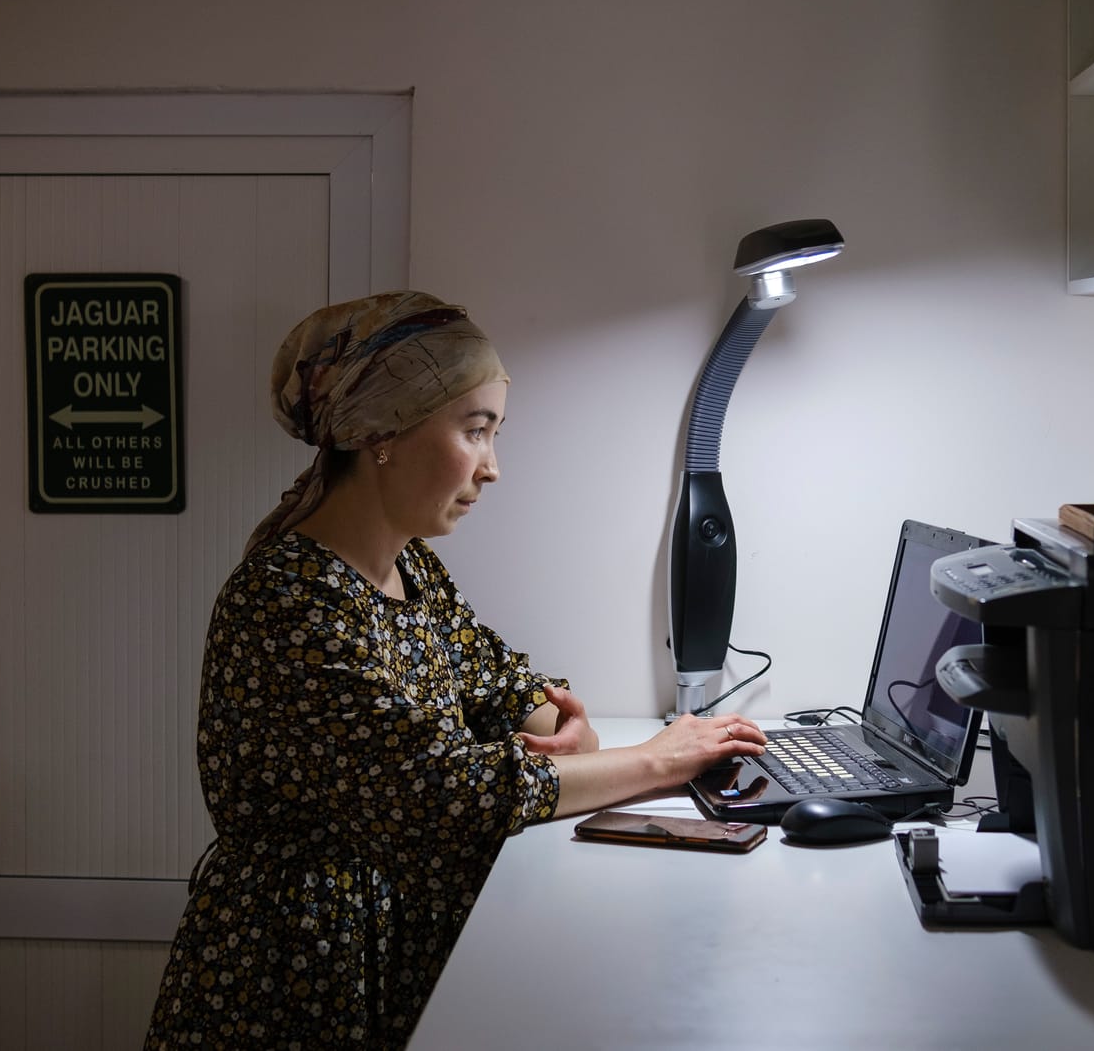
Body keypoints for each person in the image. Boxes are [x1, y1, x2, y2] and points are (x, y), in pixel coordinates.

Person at [145, 291, 766, 1050]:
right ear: (381, 431)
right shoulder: (286, 600)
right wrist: (659, 759)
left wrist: (568, 737)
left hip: (387, 950)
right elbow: (447, 794)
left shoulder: (411, 569)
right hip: (300, 972)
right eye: (475, 430)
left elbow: (515, 695)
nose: (492, 468)